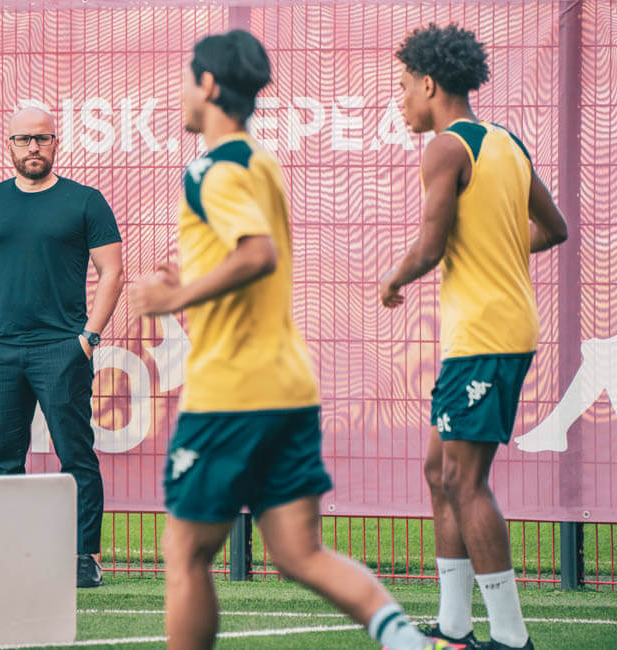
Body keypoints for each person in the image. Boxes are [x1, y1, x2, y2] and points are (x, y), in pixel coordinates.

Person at [130, 30, 443, 650]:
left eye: (188, 78)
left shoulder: (212, 168)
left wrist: (174, 299)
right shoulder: (258, 159)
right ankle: (407, 642)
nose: (182, 92)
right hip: (288, 388)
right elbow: (245, 254)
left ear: (209, 85)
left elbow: (257, 254)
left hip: (231, 393)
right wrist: (192, 280)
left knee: (186, 555)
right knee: (300, 552)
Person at [379, 23, 568, 650]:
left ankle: (510, 637)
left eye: (405, 86)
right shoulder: (507, 143)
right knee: (439, 471)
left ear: (430, 84)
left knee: (464, 479)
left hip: (486, 334)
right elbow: (554, 228)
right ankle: (455, 627)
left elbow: (429, 246)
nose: (402, 98)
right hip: (492, 332)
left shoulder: (445, 148)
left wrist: (393, 278)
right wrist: (497, 247)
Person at [0, 106, 124, 589]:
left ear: (55, 143)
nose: (33, 147)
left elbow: (112, 271)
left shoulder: (85, 201)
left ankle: (84, 557)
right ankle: (8, 557)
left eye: (42, 138)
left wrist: (88, 339)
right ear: (8, 144)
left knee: (76, 456)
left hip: (62, 350)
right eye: (23, 139)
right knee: (4, 461)